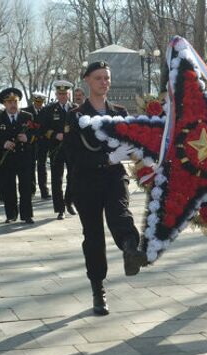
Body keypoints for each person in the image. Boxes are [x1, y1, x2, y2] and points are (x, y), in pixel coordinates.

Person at [65, 61, 146, 316]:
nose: (104, 82)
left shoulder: (119, 112)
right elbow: (72, 154)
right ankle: (98, 288)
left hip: (114, 178)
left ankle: (131, 249)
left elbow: (134, 146)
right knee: (94, 237)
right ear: (87, 80)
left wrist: (145, 161)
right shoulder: (76, 115)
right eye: (99, 78)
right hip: (86, 181)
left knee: (121, 215)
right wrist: (107, 158)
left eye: (107, 78)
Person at [0, 87, 36, 224]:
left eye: (15, 101)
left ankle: (27, 215)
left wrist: (27, 138)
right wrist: (2, 143)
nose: (13, 105)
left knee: (26, 187)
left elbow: (36, 134)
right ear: (4, 104)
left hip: (24, 158)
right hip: (6, 159)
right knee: (9, 188)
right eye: (9, 102)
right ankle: (11, 214)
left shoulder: (27, 117)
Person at [40, 80, 77, 220]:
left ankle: (69, 201)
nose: (63, 96)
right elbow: (43, 129)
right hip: (56, 149)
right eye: (60, 93)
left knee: (73, 177)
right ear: (56, 94)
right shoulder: (49, 109)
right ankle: (60, 208)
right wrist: (55, 135)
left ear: (69, 94)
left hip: (72, 149)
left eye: (65, 93)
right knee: (57, 179)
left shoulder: (75, 108)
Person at [22, 92, 51, 199]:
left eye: (41, 102)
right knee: (30, 166)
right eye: (37, 102)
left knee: (42, 166)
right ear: (34, 101)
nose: (39, 104)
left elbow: (47, 126)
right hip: (30, 143)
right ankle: (31, 190)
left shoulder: (47, 111)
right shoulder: (26, 111)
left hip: (43, 143)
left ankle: (44, 191)